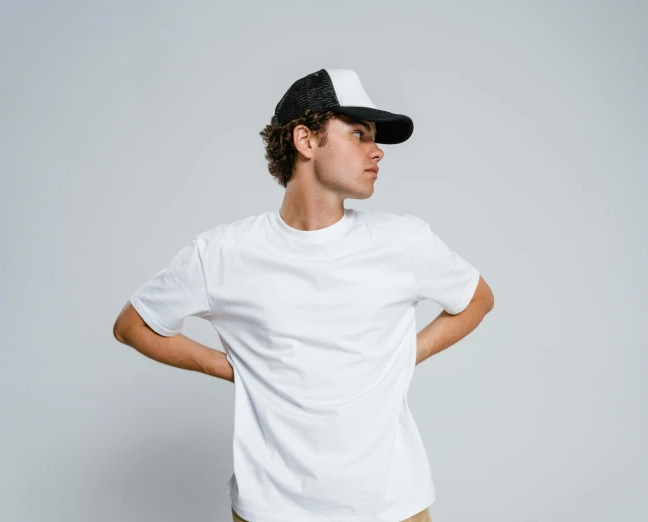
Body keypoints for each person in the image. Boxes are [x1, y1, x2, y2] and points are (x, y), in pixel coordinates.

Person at [113, 68, 494, 522]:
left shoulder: (403, 242)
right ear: (306, 141)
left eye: (375, 137)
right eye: (358, 134)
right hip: (271, 509)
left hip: (393, 507)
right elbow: (132, 325)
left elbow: (477, 298)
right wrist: (237, 368)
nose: (376, 151)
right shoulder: (223, 254)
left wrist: (402, 355)